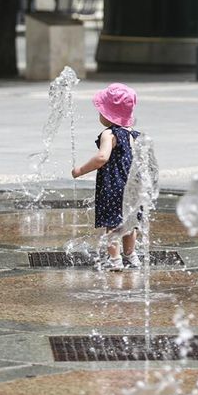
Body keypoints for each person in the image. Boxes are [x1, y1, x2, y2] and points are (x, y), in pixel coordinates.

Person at [72, 83, 141, 271]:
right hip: (132, 186)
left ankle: (115, 260)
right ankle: (131, 255)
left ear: (108, 115)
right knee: (130, 223)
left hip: (114, 185)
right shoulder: (132, 134)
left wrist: (80, 170)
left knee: (113, 224)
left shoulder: (109, 134)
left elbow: (102, 157)